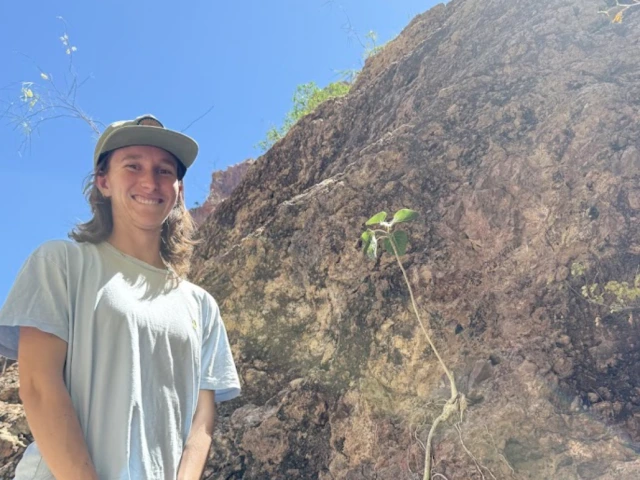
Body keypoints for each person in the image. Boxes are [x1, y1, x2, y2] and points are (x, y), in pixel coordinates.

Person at [0, 114, 241, 479]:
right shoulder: (61, 263)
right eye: (133, 166)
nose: (150, 180)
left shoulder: (200, 305)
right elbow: (37, 385)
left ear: (177, 190)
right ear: (103, 182)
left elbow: (201, 419)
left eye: (164, 170)